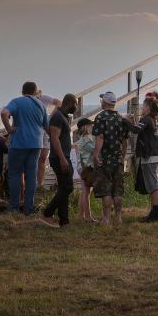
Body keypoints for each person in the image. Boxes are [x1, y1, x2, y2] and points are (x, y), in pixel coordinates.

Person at [1, 82, 49, 216]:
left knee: (15, 174)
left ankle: (14, 207)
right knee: (31, 175)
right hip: (36, 144)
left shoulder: (16, 102)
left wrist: (9, 129)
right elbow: (46, 126)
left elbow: (4, 113)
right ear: (35, 91)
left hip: (19, 143)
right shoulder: (41, 105)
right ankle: (29, 208)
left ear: (22, 91)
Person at [92, 91, 130, 225]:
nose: (101, 101)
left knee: (106, 189)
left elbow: (100, 137)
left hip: (105, 159)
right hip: (118, 159)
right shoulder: (122, 118)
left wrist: (96, 154)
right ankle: (118, 217)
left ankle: (106, 218)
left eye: (102, 100)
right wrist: (122, 156)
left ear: (105, 102)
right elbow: (125, 142)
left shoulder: (100, 117)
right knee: (118, 189)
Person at [40, 94, 78, 228]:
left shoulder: (64, 117)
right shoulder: (57, 116)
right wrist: (62, 158)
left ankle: (64, 221)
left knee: (63, 187)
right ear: (69, 103)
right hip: (59, 157)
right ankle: (47, 213)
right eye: (75, 104)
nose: (76, 107)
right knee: (68, 187)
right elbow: (54, 138)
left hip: (63, 156)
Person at [37, 90, 62, 189]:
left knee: (43, 158)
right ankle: (33, 183)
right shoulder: (29, 100)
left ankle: (40, 184)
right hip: (35, 130)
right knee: (35, 157)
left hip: (45, 129)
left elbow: (59, 103)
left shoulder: (43, 97)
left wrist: (49, 117)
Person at [76, 117, 96, 223]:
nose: (92, 126)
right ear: (85, 127)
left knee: (84, 192)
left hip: (82, 168)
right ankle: (88, 216)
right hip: (87, 169)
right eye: (90, 125)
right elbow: (95, 149)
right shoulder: (87, 139)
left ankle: (80, 214)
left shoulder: (81, 140)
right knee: (86, 193)